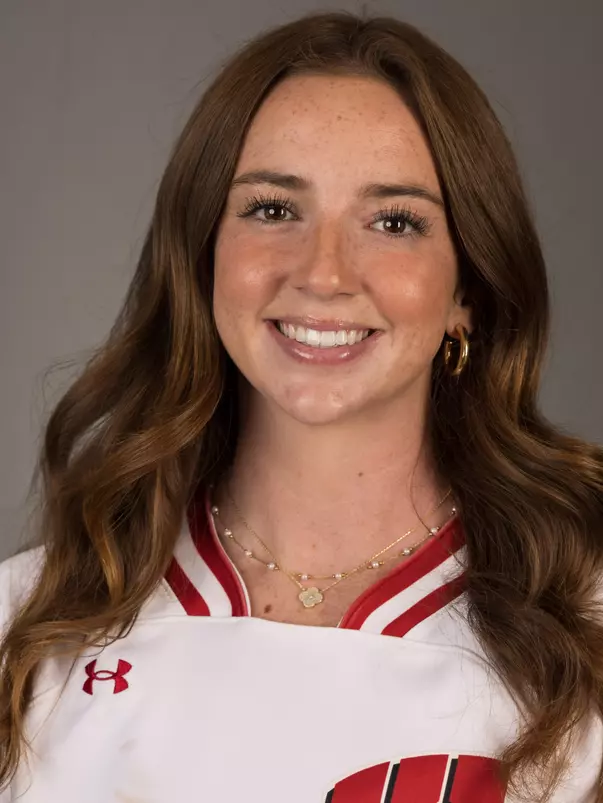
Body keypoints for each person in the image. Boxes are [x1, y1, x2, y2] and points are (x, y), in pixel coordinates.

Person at [1, 9, 602, 803]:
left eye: (394, 221)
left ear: (467, 291)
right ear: (202, 254)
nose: (323, 274)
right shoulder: (29, 625)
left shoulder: (581, 622)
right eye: (272, 209)